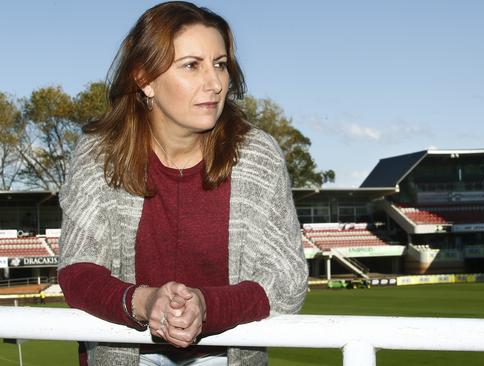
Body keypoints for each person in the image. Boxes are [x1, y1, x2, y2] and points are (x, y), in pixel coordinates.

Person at [57, 2, 308, 365]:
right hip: (128, 353)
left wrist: (206, 306)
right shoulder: (99, 153)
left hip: (225, 353)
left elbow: (287, 279)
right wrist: (145, 302)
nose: (215, 82)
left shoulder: (257, 155)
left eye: (220, 64)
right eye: (192, 65)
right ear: (144, 79)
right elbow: (77, 272)